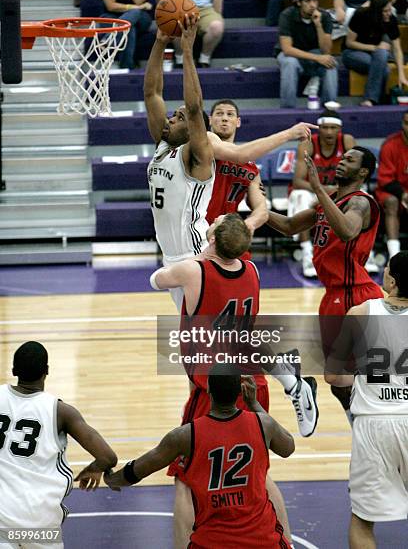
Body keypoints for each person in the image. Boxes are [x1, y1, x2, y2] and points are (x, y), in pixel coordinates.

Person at [150, 212, 318, 547]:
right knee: (259, 474)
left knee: (183, 479)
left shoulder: (194, 270)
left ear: (212, 239)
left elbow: (156, 279)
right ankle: (284, 542)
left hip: (215, 385)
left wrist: (195, 257)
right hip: (250, 380)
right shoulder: (253, 271)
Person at [145, 21, 318, 308]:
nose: (170, 120)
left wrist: (187, 52)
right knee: (196, 333)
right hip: (174, 252)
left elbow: (193, 107)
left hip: (199, 251)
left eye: (177, 117)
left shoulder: (199, 150)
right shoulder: (163, 145)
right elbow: (152, 93)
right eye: (171, 117)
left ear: (194, 127)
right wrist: (160, 42)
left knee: (208, 331)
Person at [105, 365, 295, 549]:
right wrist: (254, 404)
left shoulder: (185, 436)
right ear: (241, 391)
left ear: (208, 389)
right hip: (262, 539)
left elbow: (139, 469)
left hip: (212, 541)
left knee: (183, 486)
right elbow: (288, 448)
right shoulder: (263, 425)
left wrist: (111, 478)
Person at [267, 146, 383, 419]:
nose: (342, 162)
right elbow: (289, 225)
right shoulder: (330, 201)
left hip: (356, 294)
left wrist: (318, 189)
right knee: (339, 381)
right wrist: (256, 213)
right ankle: (363, 426)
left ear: (363, 171)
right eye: (342, 158)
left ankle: (375, 424)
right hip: (333, 295)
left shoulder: (361, 202)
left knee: (352, 376)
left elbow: (347, 231)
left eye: (350, 160)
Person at [324, 251, 408, 549]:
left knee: (362, 522)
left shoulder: (360, 313)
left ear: (393, 280)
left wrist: (363, 378)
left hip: (374, 425)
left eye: (385, 269)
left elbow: (332, 376)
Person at [0, 341, 117, 547]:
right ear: (47, 371)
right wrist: (94, 469)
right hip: (38, 523)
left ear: (14, 370)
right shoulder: (61, 411)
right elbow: (107, 457)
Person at [288, 108, 355, 277]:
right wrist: (323, 192)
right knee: (300, 196)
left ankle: (356, 253)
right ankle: (307, 253)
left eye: (333, 128)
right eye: (325, 127)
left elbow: (355, 177)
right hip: (312, 191)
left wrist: (333, 192)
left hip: (338, 191)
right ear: (319, 128)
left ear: (339, 129)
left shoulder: (347, 142)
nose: (329, 132)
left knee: (360, 196)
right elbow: (298, 181)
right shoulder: (308, 144)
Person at [206, 99, 268, 235]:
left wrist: (248, 224)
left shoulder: (250, 167)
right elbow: (236, 153)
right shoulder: (203, 147)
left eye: (230, 114)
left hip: (227, 232)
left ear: (238, 122)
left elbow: (262, 210)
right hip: (195, 228)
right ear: (210, 120)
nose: (224, 118)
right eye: (219, 113)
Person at [277, 0, 338, 108]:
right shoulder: (287, 15)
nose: (312, 5)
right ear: (299, 2)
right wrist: (317, 58)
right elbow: (287, 49)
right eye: (308, 1)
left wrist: (318, 25)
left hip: (315, 53)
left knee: (331, 62)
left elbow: (326, 50)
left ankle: (329, 108)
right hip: (293, 55)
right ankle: (288, 109)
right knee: (289, 63)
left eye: (315, 1)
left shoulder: (324, 16)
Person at [342, 0, 408, 106]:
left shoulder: (390, 19)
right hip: (352, 53)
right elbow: (349, 43)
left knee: (382, 54)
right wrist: (374, 47)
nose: (388, 13)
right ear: (377, 11)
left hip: (375, 55)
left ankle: (370, 101)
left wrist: (402, 75)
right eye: (385, 11)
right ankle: (377, 101)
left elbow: (397, 48)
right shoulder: (360, 15)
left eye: (389, 10)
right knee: (384, 68)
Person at [375, 110, 408, 258]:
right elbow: (385, 179)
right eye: (407, 123)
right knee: (392, 202)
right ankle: (394, 255)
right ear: (403, 124)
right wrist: (404, 194)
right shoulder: (390, 145)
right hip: (393, 191)